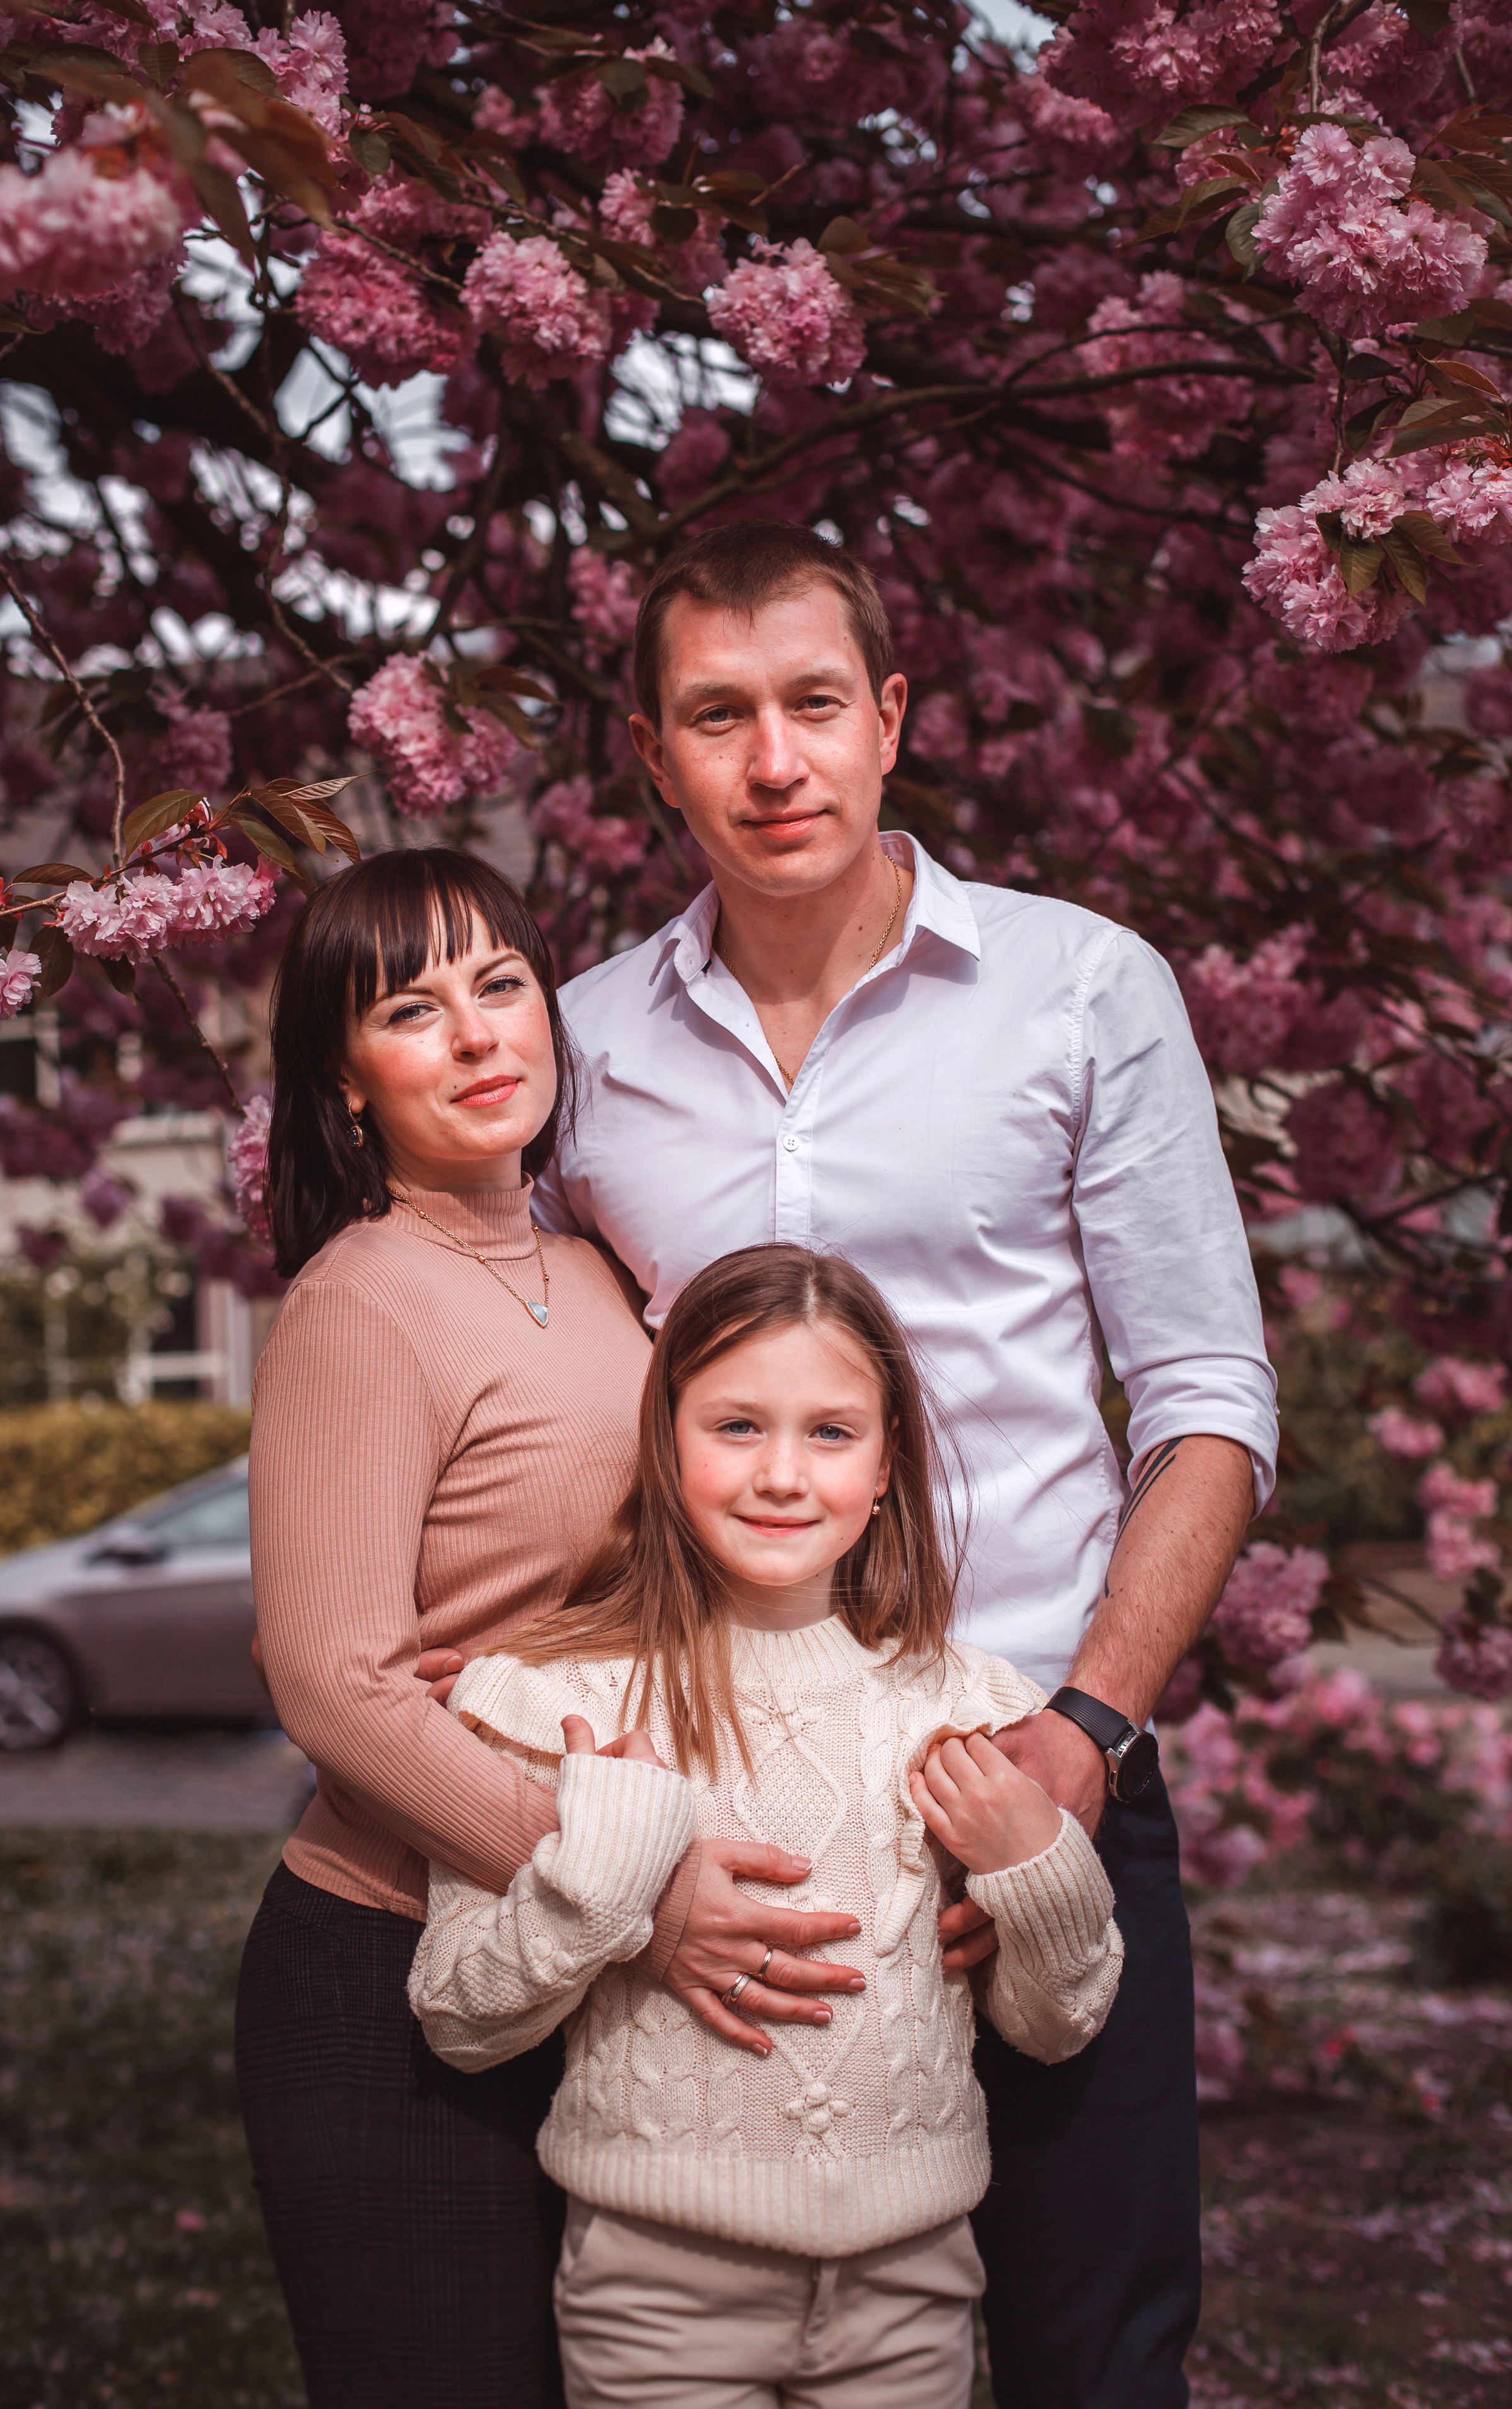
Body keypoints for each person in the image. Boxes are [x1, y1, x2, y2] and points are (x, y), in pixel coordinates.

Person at [510, 523, 1278, 2409]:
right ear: (653, 752)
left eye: (815, 706)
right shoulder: (586, 1048)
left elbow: (1208, 1397)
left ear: (893, 718)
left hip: (1039, 1767)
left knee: (1098, 2357)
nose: (775, 762)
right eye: (719, 717)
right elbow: (535, 1398)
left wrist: (1082, 1739)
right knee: (740, 2342)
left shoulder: (1082, 989)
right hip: (728, 1820)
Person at [237, 847, 870, 2409]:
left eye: (501, 986)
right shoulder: (358, 1299)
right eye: (411, 1009)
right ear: (344, 1073)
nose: (475, 1035)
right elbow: (332, 1684)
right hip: (388, 1962)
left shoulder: (597, 1273)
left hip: (568, 1966)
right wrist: (635, 1888)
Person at [409, 1245, 1124, 2409]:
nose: (782, 1475)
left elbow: (1057, 2024)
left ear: (889, 1462)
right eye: (737, 1426)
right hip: (658, 2298)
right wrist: (604, 1871)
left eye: (832, 1434)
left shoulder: (977, 1708)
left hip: (915, 2293)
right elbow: (461, 2020)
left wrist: (1036, 1866)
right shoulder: (553, 1701)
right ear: (667, 1439)